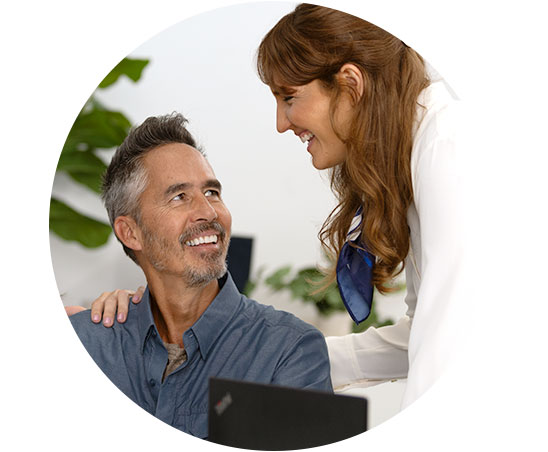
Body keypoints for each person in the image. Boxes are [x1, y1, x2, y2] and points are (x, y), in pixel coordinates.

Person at [69, 3, 463, 408]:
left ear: (350, 84)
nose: (281, 122)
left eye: (289, 97)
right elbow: (428, 331)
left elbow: (450, 346)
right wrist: (275, 354)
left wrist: (280, 351)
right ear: (127, 231)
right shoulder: (94, 340)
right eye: (179, 196)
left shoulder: (450, 148)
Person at [68, 112, 332, 438]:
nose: (208, 213)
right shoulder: (85, 343)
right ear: (130, 232)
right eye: (179, 196)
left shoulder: (289, 351)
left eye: (212, 193)